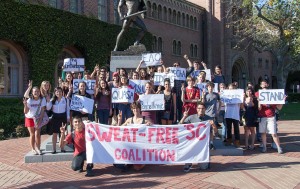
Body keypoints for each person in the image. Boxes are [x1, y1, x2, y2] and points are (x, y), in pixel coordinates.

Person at [116, 102, 152, 172]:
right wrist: (119, 120)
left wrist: (150, 125)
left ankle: (138, 162)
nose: (136, 110)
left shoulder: (146, 119)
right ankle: (130, 162)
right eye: (134, 109)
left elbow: (154, 130)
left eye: (137, 108)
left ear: (140, 109)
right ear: (132, 110)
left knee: (137, 168)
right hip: (132, 146)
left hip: (141, 146)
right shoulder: (129, 120)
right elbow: (119, 129)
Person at [179, 103, 215, 172]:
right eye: (199, 108)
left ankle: (204, 160)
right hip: (192, 141)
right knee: (189, 148)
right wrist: (184, 117)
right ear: (196, 109)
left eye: (202, 108)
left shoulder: (209, 118)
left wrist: (213, 125)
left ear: (205, 109)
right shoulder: (191, 117)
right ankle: (188, 163)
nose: (201, 110)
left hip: (203, 143)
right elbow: (180, 126)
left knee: (204, 167)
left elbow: (214, 131)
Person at [255, 80, 285, 154]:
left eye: (265, 83)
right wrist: (259, 101)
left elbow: (279, 107)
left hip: (271, 116)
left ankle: (279, 147)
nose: (264, 84)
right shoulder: (258, 94)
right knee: (263, 133)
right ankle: (264, 147)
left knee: (273, 133)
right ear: (260, 86)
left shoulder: (273, 94)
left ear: (267, 85)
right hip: (262, 116)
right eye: (262, 83)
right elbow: (259, 108)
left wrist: (282, 101)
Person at [23, 86, 46, 155]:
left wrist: (40, 121)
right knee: (32, 134)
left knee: (37, 134)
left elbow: (42, 111)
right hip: (29, 118)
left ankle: (38, 148)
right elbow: (26, 112)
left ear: (40, 92)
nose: (36, 93)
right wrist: (25, 105)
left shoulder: (42, 99)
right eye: (34, 91)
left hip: (38, 118)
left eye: (37, 91)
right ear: (32, 93)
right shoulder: (29, 100)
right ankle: (33, 149)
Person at [46, 87, 70, 154]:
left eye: (60, 91)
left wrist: (68, 117)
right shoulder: (52, 100)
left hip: (63, 117)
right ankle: (54, 149)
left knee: (62, 133)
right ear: (55, 93)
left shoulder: (65, 99)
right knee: (55, 133)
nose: (58, 93)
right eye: (57, 91)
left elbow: (67, 109)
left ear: (62, 92)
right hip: (55, 117)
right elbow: (48, 108)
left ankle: (62, 148)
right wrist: (48, 101)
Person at [224, 83, 244, 148]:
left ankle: (237, 141)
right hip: (228, 114)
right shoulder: (225, 95)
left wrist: (242, 99)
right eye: (230, 89)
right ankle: (229, 140)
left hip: (235, 114)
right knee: (228, 128)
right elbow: (222, 104)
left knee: (236, 129)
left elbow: (241, 107)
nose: (231, 90)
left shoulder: (238, 96)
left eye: (232, 89)